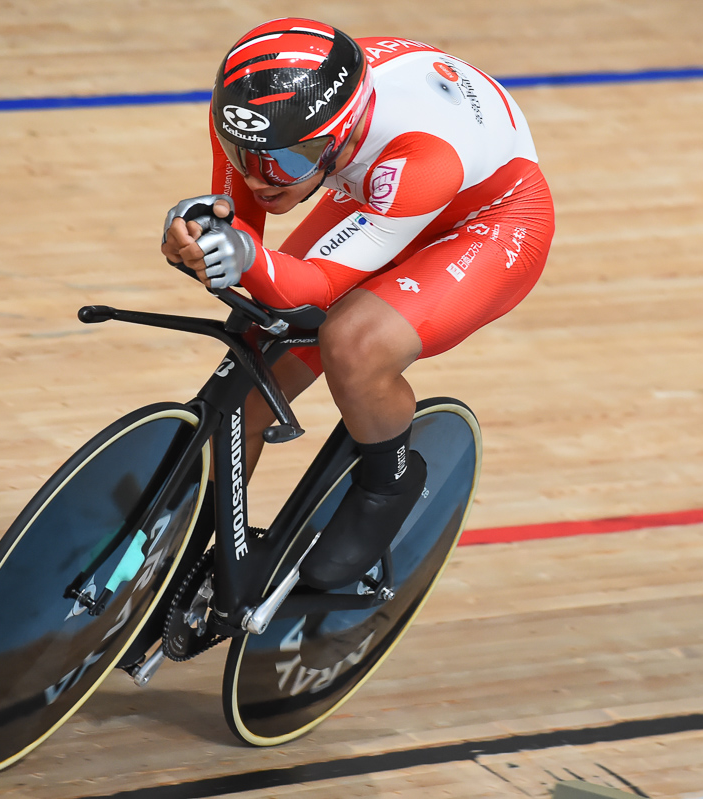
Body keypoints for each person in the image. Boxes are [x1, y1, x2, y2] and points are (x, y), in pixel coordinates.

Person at [161, 18, 554, 590]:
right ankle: (183, 548)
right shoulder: (262, 101)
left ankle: (387, 485)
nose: (263, 177)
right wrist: (202, 240)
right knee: (254, 357)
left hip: (487, 224)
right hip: (377, 192)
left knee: (352, 342)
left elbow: (316, 287)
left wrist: (244, 258)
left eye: (289, 162)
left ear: (340, 136)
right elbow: (239, 212)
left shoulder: (421, 157)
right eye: (243, 153)